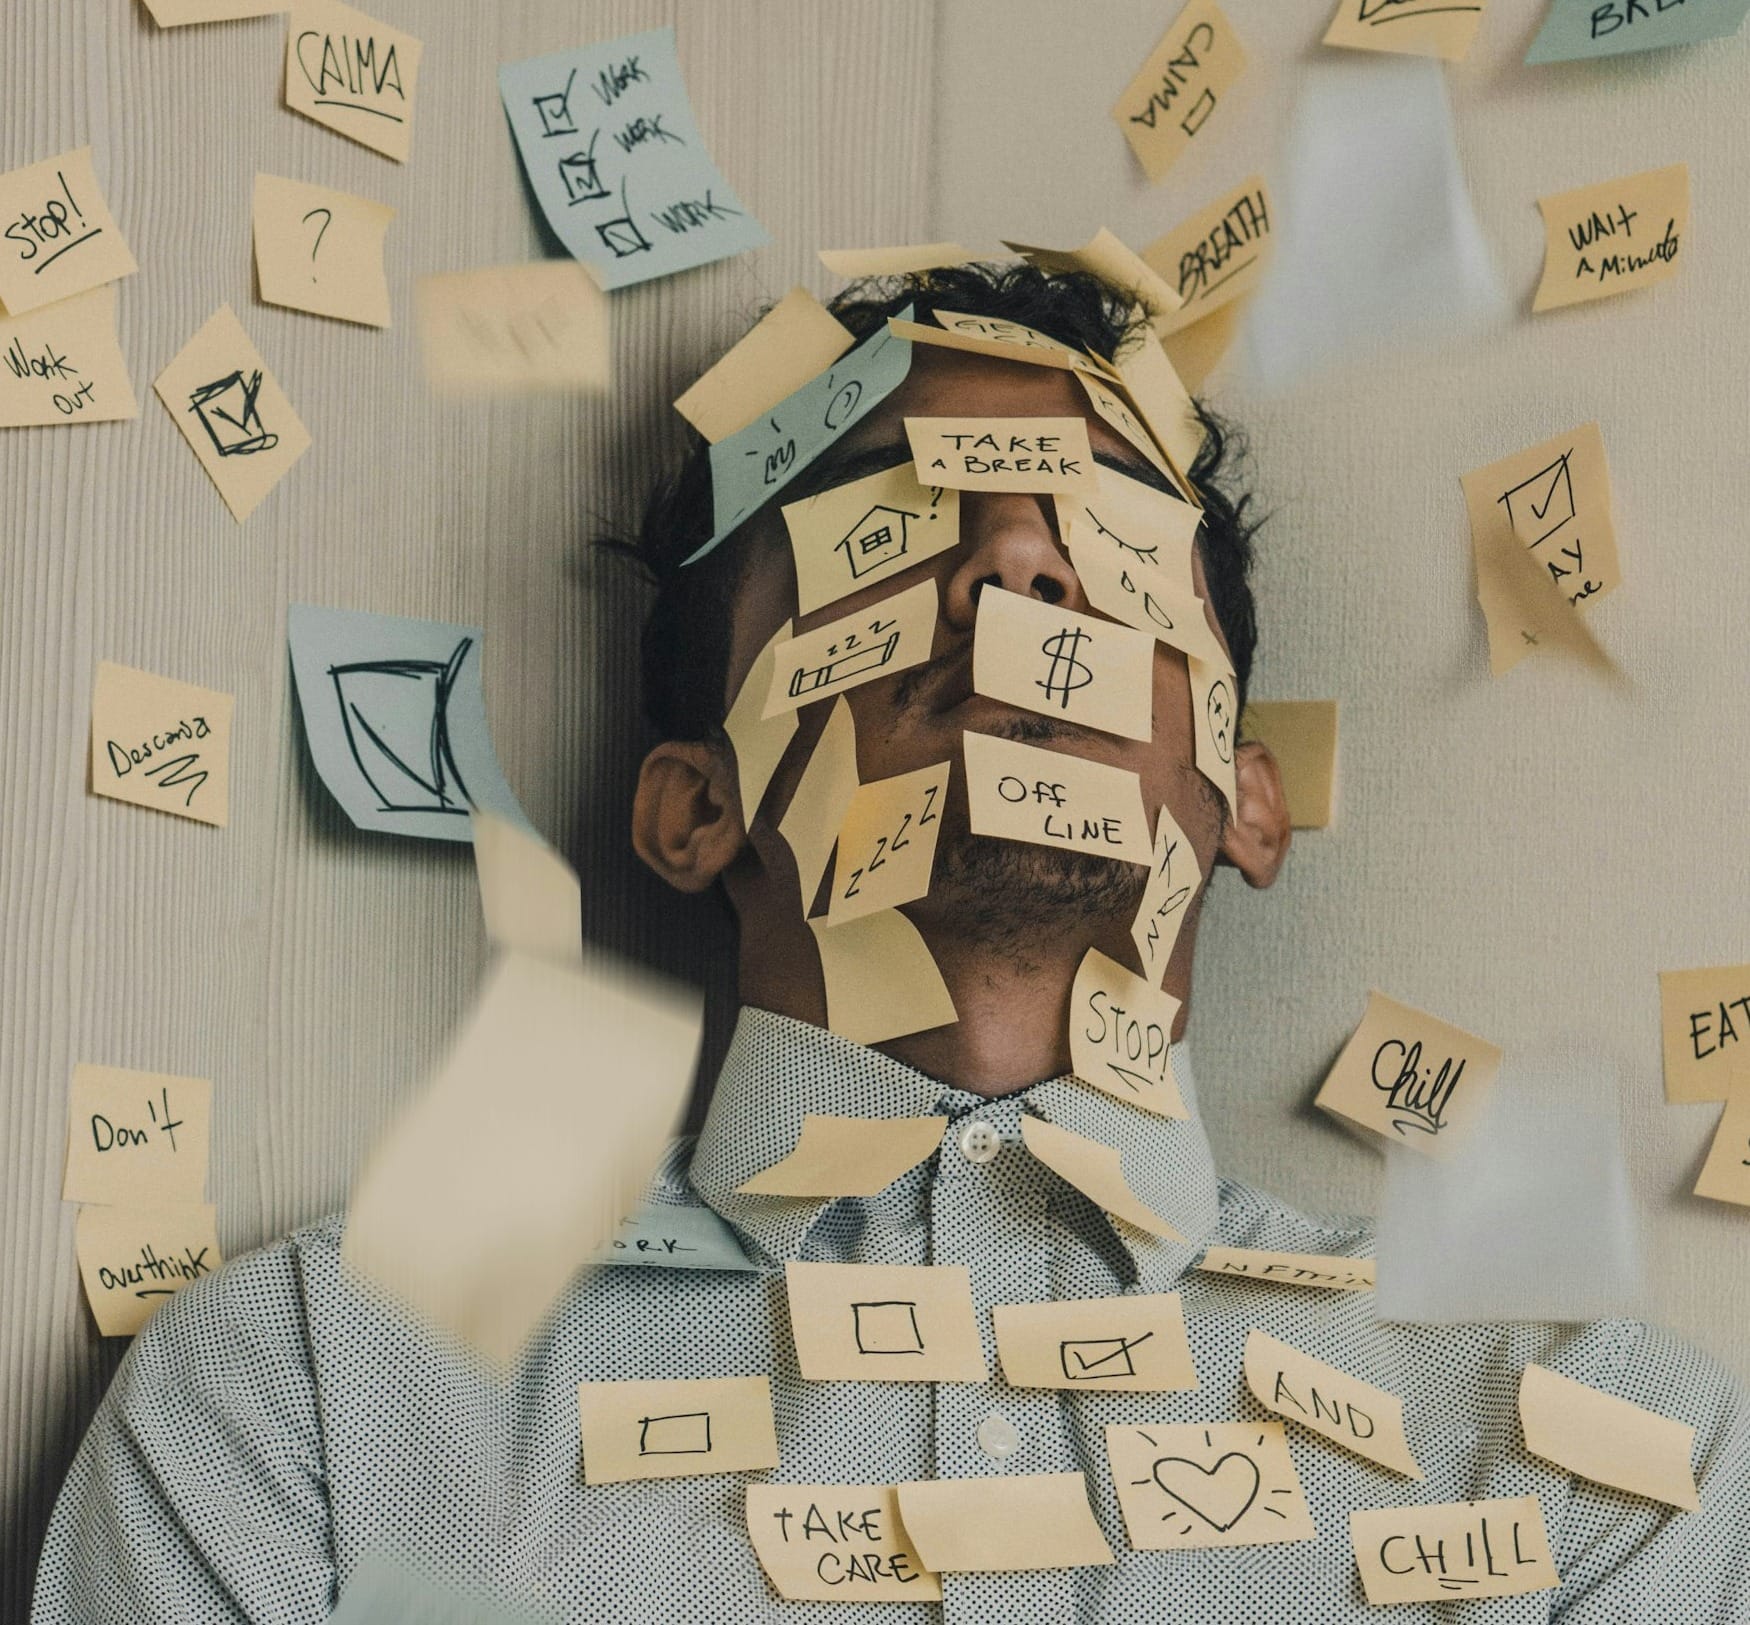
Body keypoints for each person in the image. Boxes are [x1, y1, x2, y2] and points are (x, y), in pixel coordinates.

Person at [33, 265, 1750, 1623]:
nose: (1011, 558)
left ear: (1242, 795)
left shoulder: (1591, 1460)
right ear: (691, 809)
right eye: (888, 512)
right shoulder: (316, 1398)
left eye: (1101, 531)